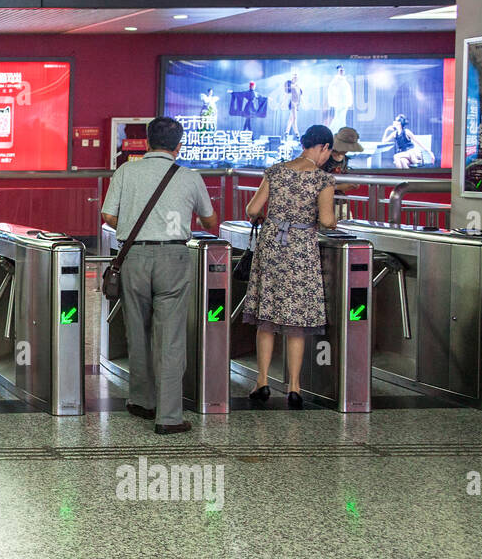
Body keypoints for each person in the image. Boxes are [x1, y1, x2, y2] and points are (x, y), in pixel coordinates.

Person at [101, 116, 220, 434]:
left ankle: (141, 401)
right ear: (179, 146)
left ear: (147, 143)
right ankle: (168, 416)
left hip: (134, 256)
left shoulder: (127, 170)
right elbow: (210, 221)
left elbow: (108, 215)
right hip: (173, 258)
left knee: (136, 331)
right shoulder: (189, 176)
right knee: (170, 337)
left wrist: (132, 229)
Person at [242, 124, 338, 410]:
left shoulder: (276, 171)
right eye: (327, 152)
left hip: (272, 246)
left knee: (267, 316)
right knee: (296, 321)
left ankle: (262, 382)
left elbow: (253, 209)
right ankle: (294, 388)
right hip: (300, 249)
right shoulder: (323, 180)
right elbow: (327, 220)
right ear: (323, 147)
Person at [325, 65, 352, 133]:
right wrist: (336, 95)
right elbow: (331, 88)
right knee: (338, 117)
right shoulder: (336, 79)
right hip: (340, 101)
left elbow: (347, 91)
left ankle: (340, 131)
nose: (342, 72)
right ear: (338, 72)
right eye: (340, 70)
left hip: (344, 101)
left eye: (343, 70)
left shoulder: (343, 79)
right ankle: (333, 131)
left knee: (342, 117)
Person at [284, 72, 302, 139]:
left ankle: (286, 132)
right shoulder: (291, 85)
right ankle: (297, 134)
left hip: (296, 104)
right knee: (294, 118)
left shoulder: (298, 86)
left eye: (296, 77)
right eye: (294, 77)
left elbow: (300, 96)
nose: (295, 78)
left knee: (291, 118)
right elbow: (287, 94)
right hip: (292, 103)